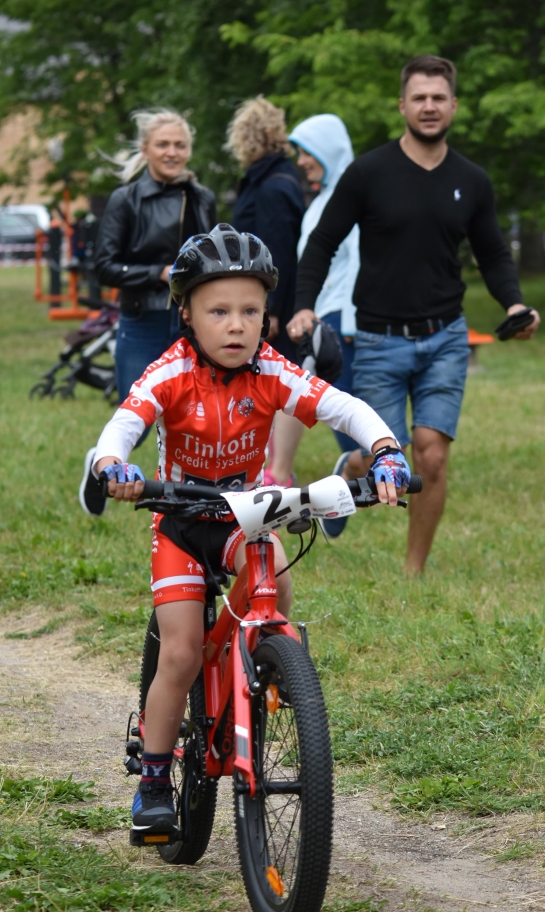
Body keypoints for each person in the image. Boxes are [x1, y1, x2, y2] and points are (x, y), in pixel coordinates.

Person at [87, 224, 410, 834]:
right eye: (218, 311)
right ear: (186, 313)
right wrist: (113, 465)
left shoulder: (272, 369)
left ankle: (271, 667)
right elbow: (123, 424)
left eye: (251, 311)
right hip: (181, 523)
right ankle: (155, 776)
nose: (236, 325)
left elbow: (342, 405)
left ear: (266, 318)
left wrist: (386, 448)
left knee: (277, 590)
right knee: (181, 653)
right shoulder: (170, 371)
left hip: (244, 516)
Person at [288, 54, 540, 569]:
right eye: (419, 98)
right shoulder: (368, 174)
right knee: (390, 460)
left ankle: (413, 571)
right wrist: (304, 307)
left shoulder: (472, 180)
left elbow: (492, 253)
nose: (429, 106)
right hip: (378, 338)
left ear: (453, 106)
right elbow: (322, 243)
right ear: (403, 104)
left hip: (445, 336)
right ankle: (352, 463)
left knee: (432, 453)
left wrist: (514, 302)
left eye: (438, 98)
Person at [78, 109, 218, 514]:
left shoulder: (203, 197)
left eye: (179, 145)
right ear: (146, 149)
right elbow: (104, 266)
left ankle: (184, 497)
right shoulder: (126, 199)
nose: (172, 152)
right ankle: (98, 462)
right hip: (141, 320)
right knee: (136, 417)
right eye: (163, 144)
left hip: (190, 324)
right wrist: (156, 273)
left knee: (192, 415)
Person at [266, 113, 360, 516]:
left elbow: (357, 264)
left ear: (329, 149)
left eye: (308, 152)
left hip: (343, 319)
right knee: (304, 397)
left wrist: (351, 323)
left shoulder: (355, 199)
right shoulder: (320, 200)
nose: (301, 161)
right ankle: (283, 475)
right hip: (320, 316)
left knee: (341, 406)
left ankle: (347, 477)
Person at [227, 97, 306, 486]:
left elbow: (275, 253)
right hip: (270, 301)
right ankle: (269, 467)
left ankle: (277, 472)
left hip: (272, 304)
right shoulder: (278, 178)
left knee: (275, 380)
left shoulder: (272, 187)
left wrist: (270, 309)